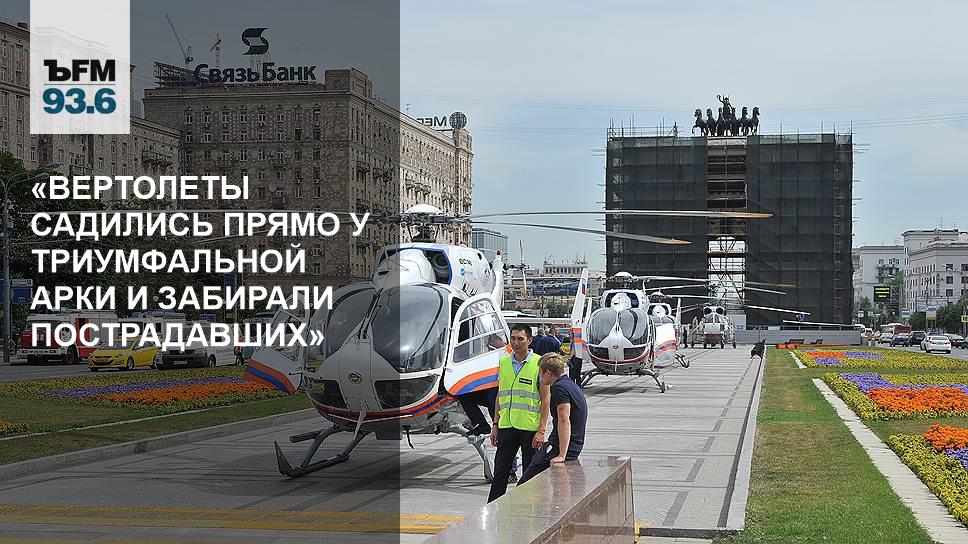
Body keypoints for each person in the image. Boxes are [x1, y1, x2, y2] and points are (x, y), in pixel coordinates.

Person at [487, 323, 551, 503]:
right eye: (513, 339)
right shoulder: (504, 362)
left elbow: (546, 398)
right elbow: (500, 394)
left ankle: (528, 508)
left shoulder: (539, 363)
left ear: (529, 340)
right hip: (507, 426)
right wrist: (495, 424)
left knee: (529, 475)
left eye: (520, 339)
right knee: (500, 473)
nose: (516, 343)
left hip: (530, 428)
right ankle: (493, 508)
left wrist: (541, 430)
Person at [518, 353, 588, 487]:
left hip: (559, 447)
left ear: (548, 373)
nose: (540, 377)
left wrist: (562, 454)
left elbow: (564, 420)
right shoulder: (570, 384)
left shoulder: (558, 388)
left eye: (540, 373)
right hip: (573, 445)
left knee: (525, 484)